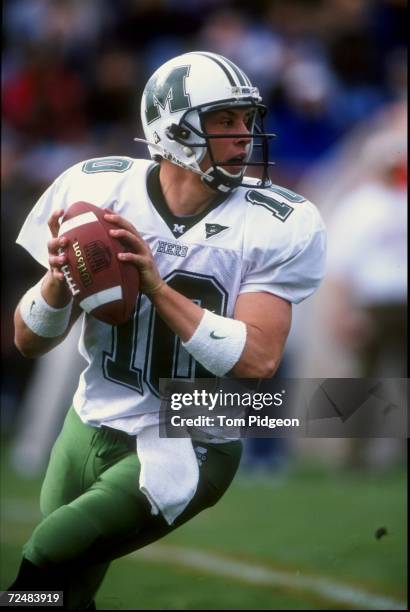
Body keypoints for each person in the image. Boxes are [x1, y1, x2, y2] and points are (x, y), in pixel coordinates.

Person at [6, 51, 326, 609]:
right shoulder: (97, 190)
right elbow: (28, 341)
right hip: (90, 419)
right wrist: (58, 280)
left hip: (192, 434)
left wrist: (157, 288)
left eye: (246, 120)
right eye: (223, 120)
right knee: (69, 591)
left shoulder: (278, 221)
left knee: (46, 555)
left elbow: (258, 360)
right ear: (173, 130)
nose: (243, 136)